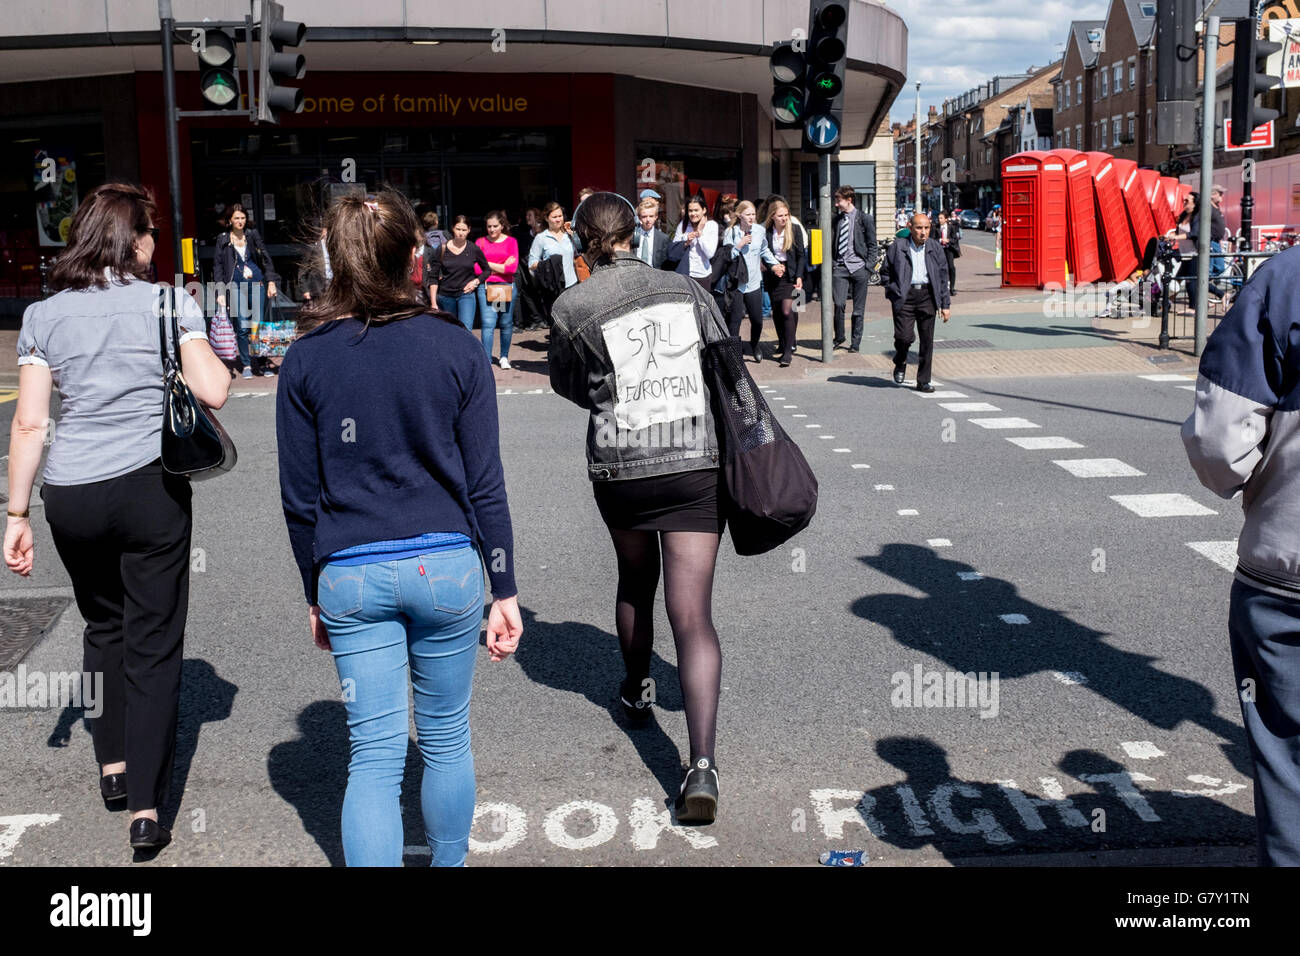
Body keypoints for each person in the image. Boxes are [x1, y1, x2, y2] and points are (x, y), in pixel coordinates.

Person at [277, 189, 522, 867]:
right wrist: (503, 588)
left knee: (375, 759)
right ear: (417, 258)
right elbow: (485, 484)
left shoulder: (306, 358)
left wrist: (313, 590)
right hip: (447, 567)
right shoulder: (455, 347)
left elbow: (299, 499)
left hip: (349, 572)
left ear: (333, 260)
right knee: (445, 738)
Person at [4, 183, 231, 851]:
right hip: (147, 488)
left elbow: (29, 422)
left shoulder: (44, 315)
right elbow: (215, 389)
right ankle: (146, 809)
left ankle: (111, 767)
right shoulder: (168, 303)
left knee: (104, 626)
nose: (156, 243)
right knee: (154, 645)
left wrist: (17, 513)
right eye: (152, 233)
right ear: (134, 242)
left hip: (70, 493)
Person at [547, 192, 729, 824]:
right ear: (633, 233)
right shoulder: (686, 289)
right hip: (692, 463)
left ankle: (635, 690)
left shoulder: (573, 304)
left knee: (634, 578)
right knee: (694, 616)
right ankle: (700, 764)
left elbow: (567, 384)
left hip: (621, 466)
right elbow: (721, 362)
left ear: (583, 241)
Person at [1181, 244, 1300, 866]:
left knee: (1287, 762)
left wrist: (1253, 483)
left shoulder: (1286, 280)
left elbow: (1219, 443)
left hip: (1288, 566)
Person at [881, 213, 950, 392]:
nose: (923, 232)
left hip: (928, 295)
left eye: (926, 228)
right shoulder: (898, 247)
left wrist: (945, 305)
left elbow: (943, 277)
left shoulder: (935, 247)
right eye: (919, 228)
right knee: (904, 337)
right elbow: (885, 272)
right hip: (905, 296)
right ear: (910, 227)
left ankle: (923, 381)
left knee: (927, 341)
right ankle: (900, 360)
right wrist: (893, 291)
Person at [213, 202, 279, 378]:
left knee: (258, 325)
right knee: (242, 326)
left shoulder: (252, 235)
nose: (240, 221)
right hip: (235, 286)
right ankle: (247, 363)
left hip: (256, 283)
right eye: (236, 218)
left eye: (243, 218)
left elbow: (265, 257)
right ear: (230, 220)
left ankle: (263, 362)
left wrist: (271, 280)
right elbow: (218, 266)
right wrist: (220, 292)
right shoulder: (223, 239)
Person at [726, 200, 779, 362]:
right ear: (739, 215)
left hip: (754, 283)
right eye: (748, 214)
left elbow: (764, 250)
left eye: (753, 214)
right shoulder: (731, 232)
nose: (751, 217)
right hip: (737, 284)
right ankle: (734, 354)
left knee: (757, 320)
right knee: (734, 322)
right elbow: (726, 257)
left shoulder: (759, 230)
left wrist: (775, 264)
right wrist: (739, 245)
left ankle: (755, 345)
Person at [830, 185, 879, 352]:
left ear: (849, 200)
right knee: (838, 304)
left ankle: (855, 343)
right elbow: (831, 244)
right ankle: (839, 337)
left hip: (859, 268)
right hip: (840, 268)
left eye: (839, 200)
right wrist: (833, 263)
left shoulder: (865, 219)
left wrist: (868, 267)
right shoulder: (836, 221)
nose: (836, 204)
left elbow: (873, 245)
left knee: (858, 309)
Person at [762, 198, 806, 366]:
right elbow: (762, 254)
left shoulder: (794, 229)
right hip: (775, 274)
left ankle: (788, 351)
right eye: (780, 216)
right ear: (772, 216)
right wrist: (771, 266)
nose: (784, 218)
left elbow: (802, 255)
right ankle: (784, 341)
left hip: (793, 273)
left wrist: (800, 276)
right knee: (778, 312)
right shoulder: (766, 232)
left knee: (789, 310)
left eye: (786, 215)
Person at [428, 214, 490, 333]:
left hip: (466, 294)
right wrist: (433, 303)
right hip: (445, 296)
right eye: (458, 229)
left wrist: (476, 282)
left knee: (465, 330)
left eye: (464, 230)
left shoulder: (473, 249)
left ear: (469, 230)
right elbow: (433, 277)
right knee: (450, 331)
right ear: (453, 228)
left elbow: (487, 270)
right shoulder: (442, 249)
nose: (461, 233)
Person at [475, 209, 519, 368]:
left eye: (495, 226)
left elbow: (512, 269)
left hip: (505, 286)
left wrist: (487, 265)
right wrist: (500, 266)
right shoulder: (480, 242)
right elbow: (476, 269)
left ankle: (504, 357)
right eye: (489, 226)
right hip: (487, 286)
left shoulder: (511, 242)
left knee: (506, 322)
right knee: (488, 323)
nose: (492, 230)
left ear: (502, 226)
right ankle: (486, 359)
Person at [671, 194, 720, 292]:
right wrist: (686, 240)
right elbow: (674, 249)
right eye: (690, 211)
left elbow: (710, 254)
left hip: (702, 275)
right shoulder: (683, 225)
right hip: (684, 274)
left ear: (704, 210)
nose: (693, 214)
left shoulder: (711, 225)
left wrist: (699, 233)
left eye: (696, 210)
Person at [528, 202, 579, 288]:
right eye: (554, 217)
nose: (558, 219)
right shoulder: (541, 238)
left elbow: (578, 255)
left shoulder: (569, 235)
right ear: (546, 218)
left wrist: (575, 236)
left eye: (560, 216)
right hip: (553, 286)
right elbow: (531, 264)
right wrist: (549, 263)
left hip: (572, 284)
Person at [633, 197, 670, 268]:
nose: (648, 220)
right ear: (639, 217)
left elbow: (665, 263)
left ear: (656, 217)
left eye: (651, 216)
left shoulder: (663, 238)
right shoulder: (633, 235)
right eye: (644, 216)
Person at [936, 210, 961, 297]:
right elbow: (933, 239)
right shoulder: (936, 227)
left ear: (946, 219)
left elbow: (955, 239)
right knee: (940, 268)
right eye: (939, 218)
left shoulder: (951, 227)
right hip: (939, 250)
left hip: (949, 249)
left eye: (941, 218)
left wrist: (949, 240)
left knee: (951, 267)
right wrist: (940, 240)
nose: (939, 220)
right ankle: (941, 287)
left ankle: (952, 288)